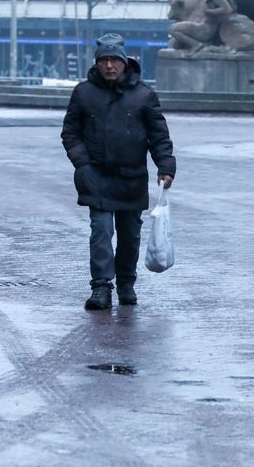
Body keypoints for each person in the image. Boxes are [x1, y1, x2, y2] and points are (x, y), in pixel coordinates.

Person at [61, 34, 176, 310]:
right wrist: (83, 164)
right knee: (100, 231)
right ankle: (101, 286)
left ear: (125, 63)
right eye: (104, 61)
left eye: (114, 60)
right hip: (96, 176)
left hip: (131, 177)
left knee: (129, 235)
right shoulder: (83, 93)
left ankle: (126, 282)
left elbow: (158, 136)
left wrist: (165, 166)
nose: (109, 66)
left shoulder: (144, 96)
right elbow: (70, 133)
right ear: (97, 64)